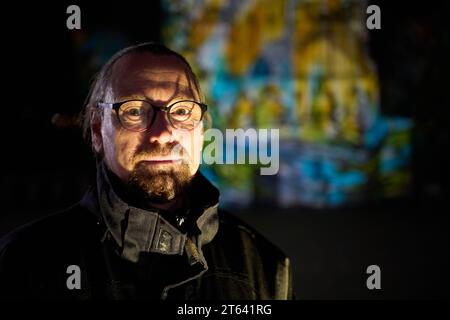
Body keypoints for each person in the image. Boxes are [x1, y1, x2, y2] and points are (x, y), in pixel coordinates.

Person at [0, 42, 293, 300]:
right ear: (97, 131)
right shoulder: (25, 263)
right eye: (135, 111)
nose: (163, 133)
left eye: (181, 111)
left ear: (202, 129)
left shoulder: (264, 267)